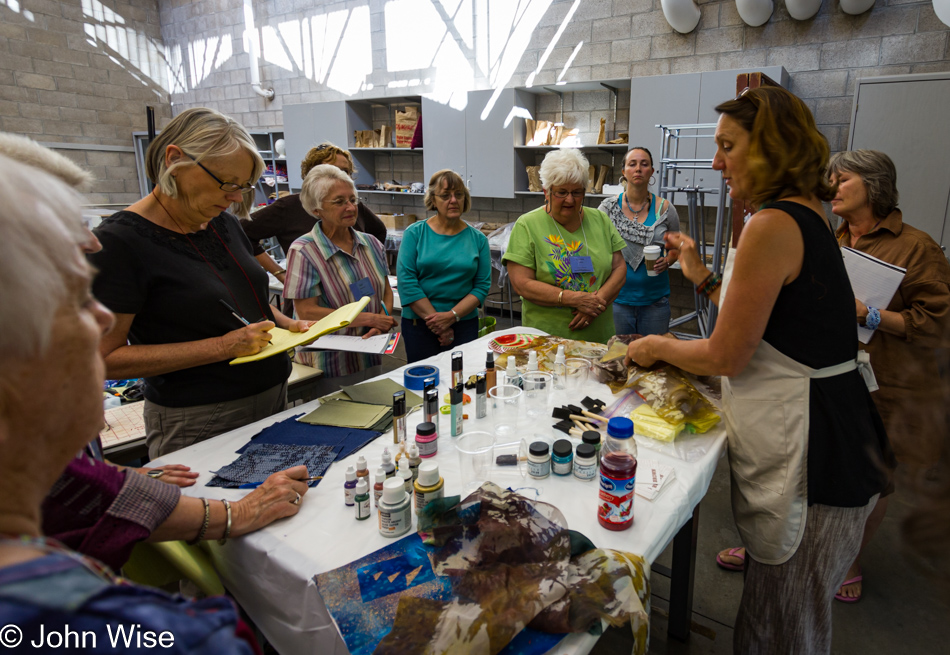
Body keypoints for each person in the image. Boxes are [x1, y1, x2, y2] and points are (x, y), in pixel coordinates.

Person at [624, 87, 893, 653]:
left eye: (727, 146)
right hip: (837, 434)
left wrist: (654, 345)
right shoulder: (809, 215)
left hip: (815, 455)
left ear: (770, 147)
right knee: (781, 614)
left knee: (783, 631)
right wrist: (699, 274)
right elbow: (767, 322)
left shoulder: (770, 223)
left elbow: (726, 354)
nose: (717, 161)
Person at [0, 152, 286, 654]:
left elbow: (82, 486)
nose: (102, 321)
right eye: (76, 297)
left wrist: (226, 516)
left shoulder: (60, 474)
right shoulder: (178, 639)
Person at [715, 150, 950, 605]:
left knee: (870, 475)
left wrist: (873, 315)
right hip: (819, 373)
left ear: (874, 185)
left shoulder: (918, 248)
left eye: (843, 180)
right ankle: (773, 548)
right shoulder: (828, 234)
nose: (832, 188)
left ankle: (848, 558)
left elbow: (937, 322)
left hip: (885, 379)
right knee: (804, 463)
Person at [89, 108, 311, 459]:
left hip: (272, 395)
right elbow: (103, 358)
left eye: (244, 186)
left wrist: (286, 323)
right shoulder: (119, 243)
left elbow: (237, 299)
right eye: (227, 183)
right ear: (175, 159)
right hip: (200, 416)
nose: (236, 197)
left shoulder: (223, 224)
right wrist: (222, 348)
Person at [283, 164, 396, 382]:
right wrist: (368, 318)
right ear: (316, 209)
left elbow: (386, 291)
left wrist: (381, 320)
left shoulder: (371, 243)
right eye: (339, 202)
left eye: (353, 200)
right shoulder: (304, 251)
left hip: (370, 352)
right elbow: (307, 311)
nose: (350, 207)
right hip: (331, 363)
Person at [503, 149, 626, 343]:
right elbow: (522, 284)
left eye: (577, 192)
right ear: (546, 192)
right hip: (547, 339)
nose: (570, 199)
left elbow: (619, 268)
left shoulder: (600, 220)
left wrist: (595, 306)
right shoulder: (527, 225)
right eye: (562, 192)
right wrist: (572, 299)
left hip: (598, 337)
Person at [241, 142, 388, 283]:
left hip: (353, 297)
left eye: (346, 172)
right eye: (333, 170)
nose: (341, 176)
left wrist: (367, 267)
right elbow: (242, 232)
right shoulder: (289, 207)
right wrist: (280, 273)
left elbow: (378, 233)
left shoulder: (353, 207)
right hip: (308, 297)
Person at [396, 169, 491, 362]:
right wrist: (439, 323)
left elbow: (481, 287)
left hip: (464, 323)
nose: (454, 200)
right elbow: (407, 282)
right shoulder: (415, 234)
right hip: (419, 324)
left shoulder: (478, 239)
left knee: (463, 382)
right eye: (446, 196)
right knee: (424, 382)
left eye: (459, 194)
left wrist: (452, 316)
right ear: (433, 200)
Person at [598, 147, 680, 336]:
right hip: (617, 300)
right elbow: (596, 247)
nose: (638, 169)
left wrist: (668, 260)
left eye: (644, 164)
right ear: (624, 171)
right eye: (632, 164)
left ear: (651, 171)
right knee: (617, 358)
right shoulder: (607, 208)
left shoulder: (666, 209)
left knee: (653, 361)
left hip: (655, 302)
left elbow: (675, 249)